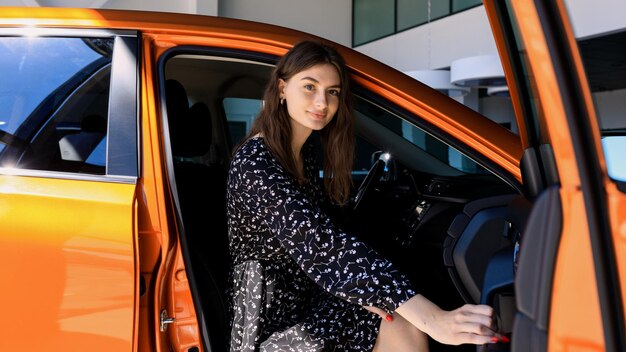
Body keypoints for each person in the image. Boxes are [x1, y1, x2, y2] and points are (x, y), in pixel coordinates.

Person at [226, 40, 498, 352]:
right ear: (282, 88)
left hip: (308, 299)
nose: (322, 102)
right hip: (269, 322)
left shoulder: (303, 153)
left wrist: (364, 291)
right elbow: (321, 245)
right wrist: (433, 319)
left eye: (333, 91)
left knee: (395, 316)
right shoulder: (256, 160)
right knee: (406, 323)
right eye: (310, 86)